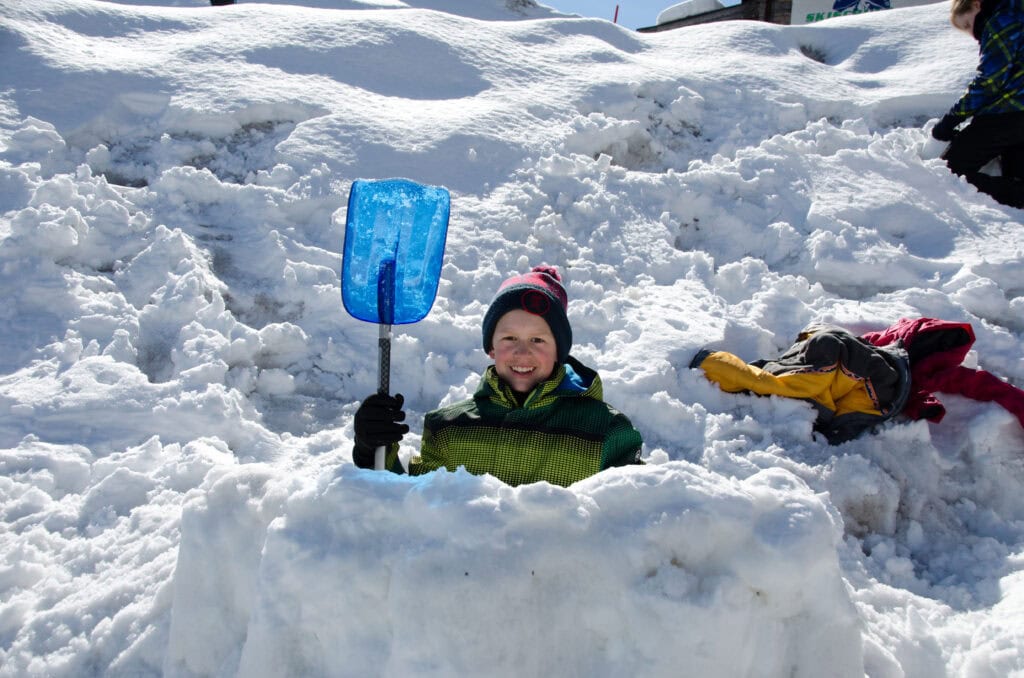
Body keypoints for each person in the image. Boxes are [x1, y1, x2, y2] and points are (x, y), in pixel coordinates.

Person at [352, 266, 644, 487]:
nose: (522, 352)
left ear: (559, 351)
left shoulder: (606, 431)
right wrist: (371, 448)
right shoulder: (450, 429)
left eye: (538, 340)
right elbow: (408, 513)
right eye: (509, 338)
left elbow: (639, 516)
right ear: (491, 347)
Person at [930, 0, 1024, 208]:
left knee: (946, 174)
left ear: (976, 4)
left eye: (967, 25)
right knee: (1014, 178)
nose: (972, 34)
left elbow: (989, 82)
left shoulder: (1002, 20)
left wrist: (951, 119)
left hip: (1005, 115)